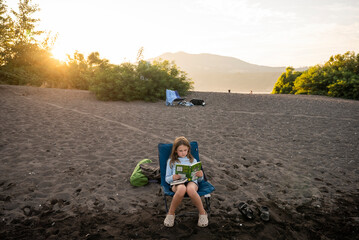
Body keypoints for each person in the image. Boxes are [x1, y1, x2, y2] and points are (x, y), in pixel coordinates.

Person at [163, 136, 208, 227]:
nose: (183, 153)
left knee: (190, 189)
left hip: (192, 181)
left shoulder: (193, 160)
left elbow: (200, 180)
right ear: (175, 150)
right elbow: (167, 179)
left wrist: (200, 175)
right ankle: (171, 214)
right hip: (178, 183)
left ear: (188, 149)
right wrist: (173, 177)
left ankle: (203, 213)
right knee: (182, 189)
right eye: (180, 151)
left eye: (185, 150)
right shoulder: (171, 162)